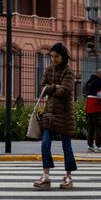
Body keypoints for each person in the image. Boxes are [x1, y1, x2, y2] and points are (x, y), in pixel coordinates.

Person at [33, 42, 78, 189]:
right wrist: (54, 86)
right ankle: (46, 175)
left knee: (67, 146)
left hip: (65, 113)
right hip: (49, 112)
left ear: (63, 56)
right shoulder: (49, 70)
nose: (53, 59)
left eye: (56, 56)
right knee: (45, 144)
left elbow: (65, 90)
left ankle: (68, 176)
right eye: (51, 56)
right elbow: (42, 89)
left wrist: (51, 89)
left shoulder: (69, 72)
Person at [85, 68, 101, 152]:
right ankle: (98, 146)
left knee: (91, 127)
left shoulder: (89, 82)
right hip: (97, 108)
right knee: (98, 127)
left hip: (89, 107)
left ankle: (90, 145)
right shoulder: (99, 83)